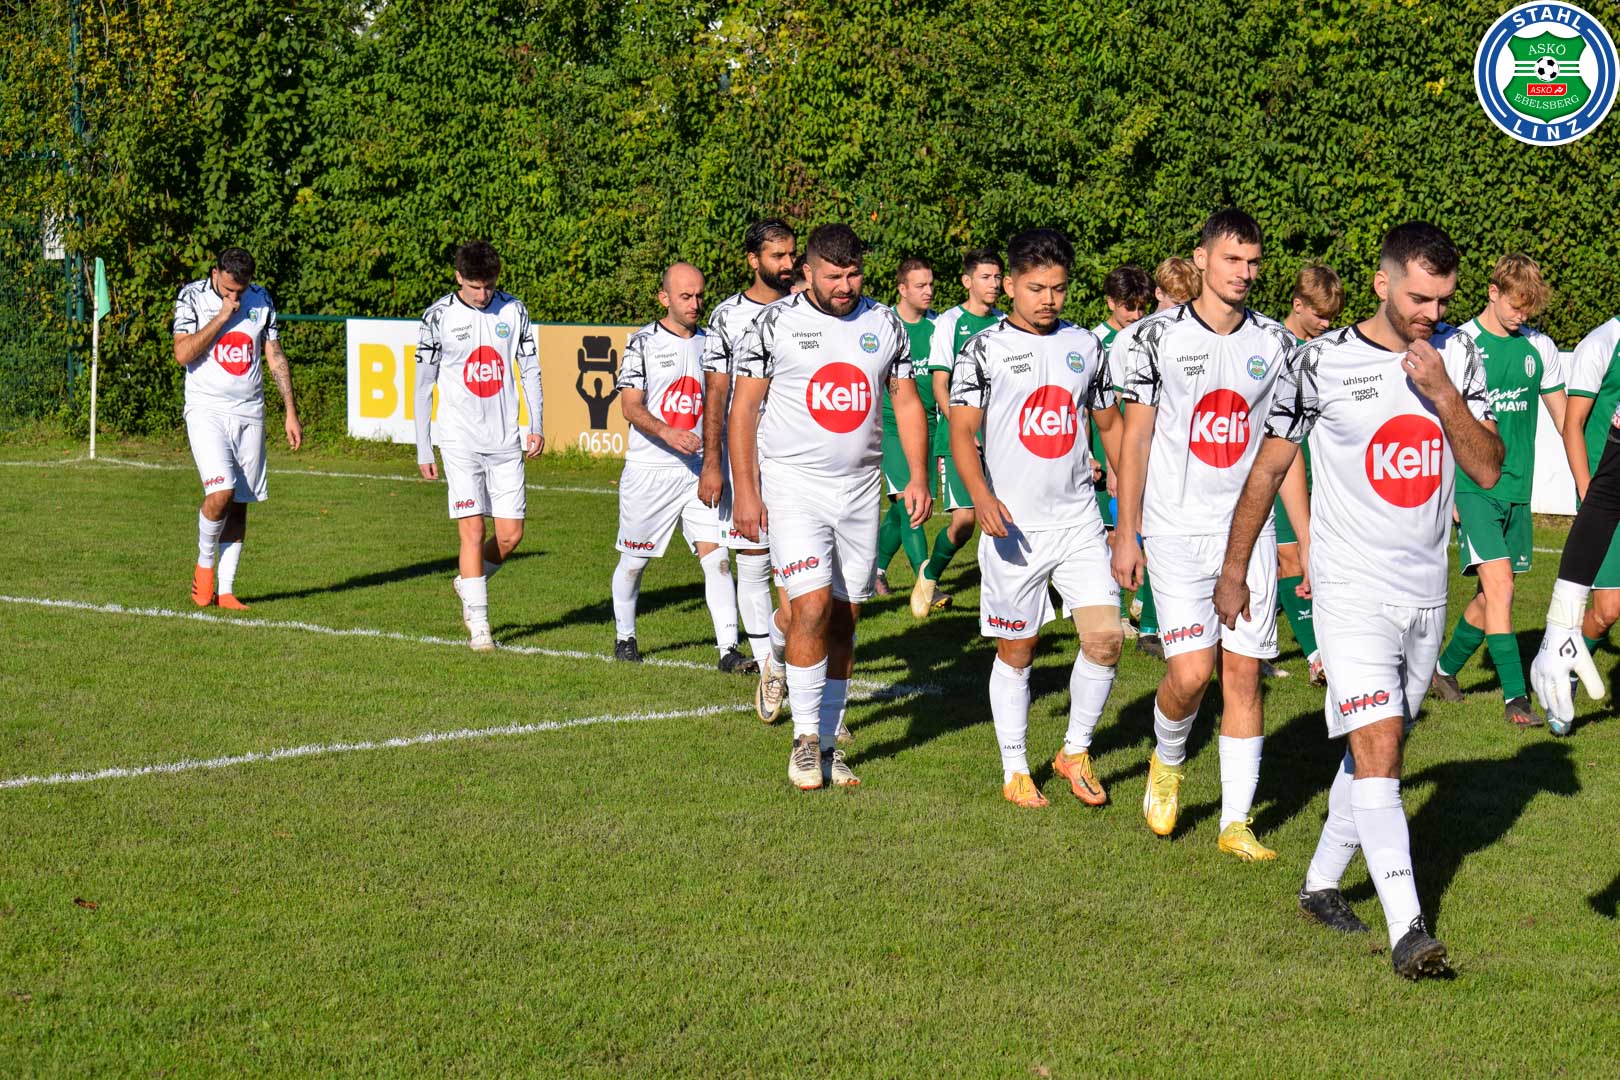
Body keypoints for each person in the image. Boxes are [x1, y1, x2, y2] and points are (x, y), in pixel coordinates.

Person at [1215, 220, 1503, 979]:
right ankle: (1410, 930)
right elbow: (1267, 469)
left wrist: (1443, 393)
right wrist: (1234, 569)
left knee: (1383, 743)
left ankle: (1318, 885)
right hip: (1348, 589)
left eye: (1442, 301)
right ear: (1382, 285)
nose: (1431, 314)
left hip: (1425, 590)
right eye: (1418, 299)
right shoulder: (1318, 362)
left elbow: (1487, 467)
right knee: (1378, 744)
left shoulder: (1459, 355)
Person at [1111, 209, 1298, 861]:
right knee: (1191, 675)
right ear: (1202, 258)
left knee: (1243, 676)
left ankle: (1235, 824)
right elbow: (1136, 437)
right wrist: (1126, 533)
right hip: (1174, 529)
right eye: (1232, 260)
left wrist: (1298, 535)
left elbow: (1284, 450)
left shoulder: (1278, 344)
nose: (1244, 273)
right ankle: (1167, 761)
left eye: (1253, 262)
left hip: (1248, 536)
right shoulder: (1153, 339)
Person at [727, 223, 932, 790]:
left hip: (860, 488)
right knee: (812, 605)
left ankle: (829, 742)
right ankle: (804, 741)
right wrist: (747, 490)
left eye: (854, 275)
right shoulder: (774, 324)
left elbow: (905, 401)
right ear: (808, 272)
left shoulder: (885, 323)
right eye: (833, 276)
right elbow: (744, 409)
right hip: (793, 485)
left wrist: (916, 475)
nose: (845, 286)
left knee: (844, 616)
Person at [949, 228, 1123, 808]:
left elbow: (1109, 424)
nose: (1049, 299)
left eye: (1058, 289)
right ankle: (1015, 768)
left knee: (1105, 640)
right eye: (1036, 288)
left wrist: (1125, 496)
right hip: (1013, 526)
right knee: (1017, 651)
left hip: (1078, 521)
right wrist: (981, 497)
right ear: (1011, 286)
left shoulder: (1086, 345)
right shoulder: (984, 349)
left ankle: (1074, 752)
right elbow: (962, 431)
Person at [1430, 255, 1566, 725]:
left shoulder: (1539, 348)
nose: (1521, 314)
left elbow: (1566, 420)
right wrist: (1448, 489)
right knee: (1502, 587)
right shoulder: (1458, 344)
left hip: (1518, 490)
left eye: (1529, 307)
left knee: (1492, 597)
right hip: (1474, 488)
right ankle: (1516, 698)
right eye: (1515, 304)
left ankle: (1443, 670)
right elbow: (1440, 422)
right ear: (1493, 292)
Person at [611, 262, 755, 673]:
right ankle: (625, 637)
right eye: (685, 296)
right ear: (664, 298)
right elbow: (630, 406)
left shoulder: (713, 343)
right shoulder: (642, 343)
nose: (695, 304)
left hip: (700, 469)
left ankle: (728, 650)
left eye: (699, 295)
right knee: (634, 562)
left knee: (717, 557)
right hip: (650, 470)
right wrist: (667, 432)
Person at [414, 241, 543, 652]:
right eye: (474, 286)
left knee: (510, 535)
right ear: (458, 278)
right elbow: (423, 385)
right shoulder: (438, 316)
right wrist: (423, 446)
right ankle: (481, 627)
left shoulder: (514, 310)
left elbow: (530, 369)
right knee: (473, 530)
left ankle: (468, 583)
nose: (483, 294)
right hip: (459, 439)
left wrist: (536, 424)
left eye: (489, 285)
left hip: (505, 439)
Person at [701, 218, 799, 722]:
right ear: (753, 260)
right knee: (755, 556)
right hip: (747, 454)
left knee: (800, 574)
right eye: (777, 256)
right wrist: (712, 464)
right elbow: (717, 392)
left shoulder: (808, 307)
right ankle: (769, 668)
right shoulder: (727, 316)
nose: (787, 264)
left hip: (799, 457)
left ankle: (786, 661)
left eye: (791, 255)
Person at [173, 246, 302, 610]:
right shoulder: (192, 297)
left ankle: (227, 591)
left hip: (250, 411)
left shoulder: (261, 299)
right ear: (215, 273)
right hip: (207, 409)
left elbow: (274, 354)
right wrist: (221, 316)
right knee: (221, 492)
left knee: (241, 501)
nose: (235, 297)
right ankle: (203, 568)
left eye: (240, 292)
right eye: (229, 289)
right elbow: (183, 354)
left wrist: (290, 411)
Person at [1106, 256, 1202, 660]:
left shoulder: (1198, 335)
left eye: (1188, 301)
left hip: (1187, 455)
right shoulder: (1132, 339)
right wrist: (1117, 465)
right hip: (1146, 452)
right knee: (1145, 533)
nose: (1180, 309)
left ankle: (1167, 621)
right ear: (1158, 293)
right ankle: (1147, 625)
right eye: (1175, 301)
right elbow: (1113, 409)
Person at [911, 248, 1006, 617]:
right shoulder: (950, 323)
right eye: (985, 277)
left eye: (997, 277)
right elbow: (940, 385)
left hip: (1000, 438)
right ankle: (930, 575)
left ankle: (1008, 595)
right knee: (965, 522)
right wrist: (965, 429)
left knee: (1006, 516)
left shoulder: (1005, 323)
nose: (993, 284)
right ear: (967, 281)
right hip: (958, 437)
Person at [1275, 265, 1346, 685]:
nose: (1326, 325)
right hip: (1281, 468)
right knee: (1291, 556)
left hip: (1324, 470)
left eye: (1331, 318)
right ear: (1297, 304)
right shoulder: (1272, 346)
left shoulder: (1331, 351)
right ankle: (1317, 656)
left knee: (1320, 557)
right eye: (1319, 315)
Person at [1555, 312, 1620, 712]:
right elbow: (1572, 423)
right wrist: (1586, 490)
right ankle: (1564, 669)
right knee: (1609, 609)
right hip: (1606, 495)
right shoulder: (1601, 343)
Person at [1087, 265, 1153, 638]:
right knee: (1113, 534)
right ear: (1111, 302)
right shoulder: (1095, 342)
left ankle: (1142, 600)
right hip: (1108, 450)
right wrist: (1092, 455)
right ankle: (1113, 610)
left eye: (1142, 307)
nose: (1136, 314)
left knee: (1146, 527)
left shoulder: (1148, 335)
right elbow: (1086, 408)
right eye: (1129, 306)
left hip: (1142, 447)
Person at [875, 258, 938, 597]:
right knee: (910, 500)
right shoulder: (883, 325)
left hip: (929, 426)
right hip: (889, 425)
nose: (928, 291)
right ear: (902, 289)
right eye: (920, 285)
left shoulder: (939, 327)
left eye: (930, 284)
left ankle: (876, 570)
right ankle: (926, 584)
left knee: (905, 508)